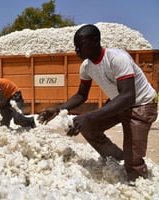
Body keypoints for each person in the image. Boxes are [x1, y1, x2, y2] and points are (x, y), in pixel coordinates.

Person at [38, 24, 158, 183]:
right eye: (76, 47)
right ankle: (117, 159)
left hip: (141, 105)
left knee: (133, 161)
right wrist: (57, 109)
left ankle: (139, 183)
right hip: (119, 102)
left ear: (95, 41)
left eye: (80, 45)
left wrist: (89, 115)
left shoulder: (116, 58)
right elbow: (81, 95)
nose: (77, 50)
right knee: (86, 125)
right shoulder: (86, 66)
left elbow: (128, 96)